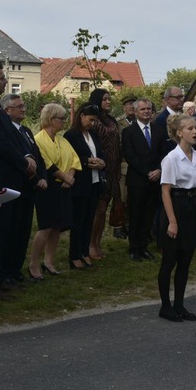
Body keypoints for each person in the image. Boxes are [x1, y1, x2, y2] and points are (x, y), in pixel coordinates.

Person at [0, 61, 38, 301]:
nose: (5, 81)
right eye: (2, 78)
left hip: (11, 176)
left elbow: (12, 138)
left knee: (6, 232)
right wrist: (23, 163)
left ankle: (3, 276)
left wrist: (26, 156)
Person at [157, 114, 196, 322]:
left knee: (186, 261)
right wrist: (173, 221)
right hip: (175, 207)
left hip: (191, 207)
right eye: (190, 128)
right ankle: (165, 306)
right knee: (169, 261)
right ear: (179, 133)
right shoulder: (171, 158)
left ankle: (179, 304)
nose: (195, 132)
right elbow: (165, 191)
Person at [1, 93, 48, 282]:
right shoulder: (7, 132)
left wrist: (42, 176)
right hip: (16, 186)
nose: (23, 109)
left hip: (30, 189)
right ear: (7, 111)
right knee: (11, 232)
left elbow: (37, 157)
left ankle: (16, 270)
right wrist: (35, 177)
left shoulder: (26, 130)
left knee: (23, 231)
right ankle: (7, 272)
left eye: (23, 105)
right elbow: (18, 160)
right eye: (19, 106)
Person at [30, 104, 81, 278]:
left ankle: (49, 261)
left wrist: (71, 174)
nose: (64, 121)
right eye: (62, 118)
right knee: (46, 227)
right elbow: (46, 163)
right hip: (48, 188)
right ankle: (34, 263)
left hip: (64, 187)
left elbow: (74, 158)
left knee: (57, 227)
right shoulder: (38, 139)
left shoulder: (62, 139)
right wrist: (64, 177)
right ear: (52, 119)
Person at [64, 103, 106, 269]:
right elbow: (70, 158)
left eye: (95, 121)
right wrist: (86, 162)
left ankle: (85, 251)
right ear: (81, 116)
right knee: (78, 221)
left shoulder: (93, 134)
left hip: (95, 182)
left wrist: (101, 162)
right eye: (90, 120)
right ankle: (74, 255)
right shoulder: (71, 135)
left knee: (89, 220)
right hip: (80, 183)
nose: (92, 123)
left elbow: (100, 153)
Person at [121, 98, 163, 262]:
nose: (146, 111)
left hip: (155, 179)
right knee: (136, 215)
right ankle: (134, 248)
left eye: (149, 109)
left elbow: (163, 153)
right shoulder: (128, 132)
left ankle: (144, 246)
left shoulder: (158, 130)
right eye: (143, 109)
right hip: (138, 180)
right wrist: (147, 172)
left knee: (149, 215)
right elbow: (130, 156)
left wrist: (158, 169)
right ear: (136, 111)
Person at [87, 89, 123, 260]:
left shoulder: (111, 120)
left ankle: (98, 242)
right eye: (105, 99)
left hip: (113, 169)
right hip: (99, 168)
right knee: (98, 209)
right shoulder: (93, 120)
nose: (108, 102)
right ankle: (90, 244)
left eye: (109, 99)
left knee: (104, 209)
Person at [114, 94, 137, 240]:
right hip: (123, 164)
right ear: (124, 107)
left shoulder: (140, 122)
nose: (131, 107)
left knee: (132, 198)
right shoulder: (119, 123)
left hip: (137, 165)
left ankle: (129, 224)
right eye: (128, 104)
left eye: (133, 104)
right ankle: (118, 226)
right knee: (121, 197)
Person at [155, 86, 184, 158]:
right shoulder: (161, 119)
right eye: (178, 97)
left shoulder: (184, 116)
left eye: (182, 97)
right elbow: (162, 145)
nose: (181, 100)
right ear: (168, 99)